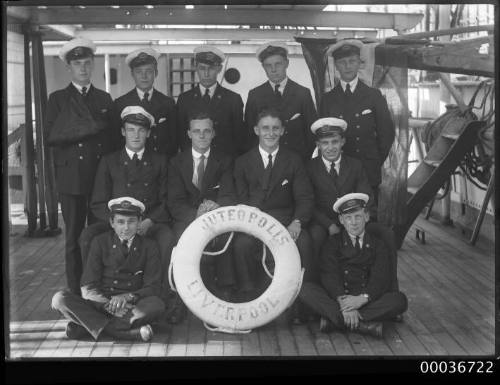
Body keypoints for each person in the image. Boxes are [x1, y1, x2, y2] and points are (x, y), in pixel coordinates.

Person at [79, 105, 175, 319]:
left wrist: (149, 221)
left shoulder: (160, 161)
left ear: (149, 133)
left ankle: (164, 298)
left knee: (167, 238)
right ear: (123, 131)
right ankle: (93, 295)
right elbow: (97, 202)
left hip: (148, 222)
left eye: (141, 130)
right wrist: (118, 223)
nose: (136, 135)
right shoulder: (109, 161)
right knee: (87, 236)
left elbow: (166, 200)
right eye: (131, 129)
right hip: (116, 221)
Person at [44, 37, 113, 295]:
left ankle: (96, 285)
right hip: (71, 179)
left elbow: (112, 142)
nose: (83, 68)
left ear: (92, 65)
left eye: (87, 63)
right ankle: (75, 290)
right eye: (77, 64)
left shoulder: (104, 99)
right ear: (68, 68)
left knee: (98, 236)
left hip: (98, 180)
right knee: (73, 238)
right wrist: (88, 128)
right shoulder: (58, 99)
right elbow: (51, 136)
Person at [51, 197, 165, 342]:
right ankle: (124, 333)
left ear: (139, 222)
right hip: (102, 304)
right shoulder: (99, 242)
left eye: (131, 221)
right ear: (112, 223)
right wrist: (107, 306)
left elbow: (153, 286)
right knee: (59, 299)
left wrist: (128, 297)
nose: (126, 227)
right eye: (120, 222)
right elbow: (88, 286)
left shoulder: (149, 246)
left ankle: (87, 327)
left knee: (157, 305)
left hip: (132, 305)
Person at [233, 107, 314, 309]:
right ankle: (249, 299)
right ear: (256, 130)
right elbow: (240, 199)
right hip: (253, 223)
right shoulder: (242, 162)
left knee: (303, 242)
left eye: (275, 128)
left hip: (285, 223)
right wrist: (252, 220)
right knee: (241, 245)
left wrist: (297, 222)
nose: (270, 133)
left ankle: (298, 303)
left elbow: (304, 197)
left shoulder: (294, 160)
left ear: (282, 131)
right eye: (265, 128)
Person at [299, 193, 407, 338]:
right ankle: (363, 325)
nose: (354, 222)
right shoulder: (332, 243)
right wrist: (345, 304)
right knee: (305, 290)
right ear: (341, 220)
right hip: (340, 300)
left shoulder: (378, 244)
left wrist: (362, 299)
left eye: (358, 216)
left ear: (366, 217)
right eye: (348, 218)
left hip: (366, 300)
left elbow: (380, 277)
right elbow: (329, 275)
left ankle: (335, 321)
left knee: (399, 300)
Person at [167, 110, 237, 306]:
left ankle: (225, 294)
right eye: (197, 131)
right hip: (187, 218)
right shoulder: (176, 163)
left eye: (207, 131)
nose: (202, 135)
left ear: (213, 133)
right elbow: (174, 201)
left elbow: (229, 193)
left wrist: (217, 207)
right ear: (189, 134)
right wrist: (196, 214)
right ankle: (180, 297)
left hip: (217, 216)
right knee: (178, 240)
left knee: (225, 237)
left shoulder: (225, 161)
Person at [319, 39, 395, 208]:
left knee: (367, 218)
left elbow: (387, 134)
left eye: (352, 61)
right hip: (338, 170)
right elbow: (322, 138)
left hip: (367, 170)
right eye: (342, 62)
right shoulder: (328, 100)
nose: (347, 66)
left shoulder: (373, 96)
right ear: (336, 66)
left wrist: (373, 160)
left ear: (359, 64)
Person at [306, 117, 373, 263]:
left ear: (342, 142)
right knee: (316, 236)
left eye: (335, 142)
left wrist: (350, 220)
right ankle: (317, 281)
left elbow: (367, 196)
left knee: (385, 234)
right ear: (318, 145)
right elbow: (308, 202)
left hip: (352, 216)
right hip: (323, 220)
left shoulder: (355, 165)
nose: (330, 147)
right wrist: (328, 225)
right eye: (325, 143)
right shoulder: (309, 168)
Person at [244, 41, 317, 160]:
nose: (273, 70)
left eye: (278, 64)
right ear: (263, 67)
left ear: (286, 63)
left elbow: (311, 134)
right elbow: (249, 135)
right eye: (268, 65)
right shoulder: (255, 95)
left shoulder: (302, 94)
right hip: (266, 161)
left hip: (297, 161)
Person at [176, 45, 245, 157]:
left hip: (224, 164)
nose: (206, 74)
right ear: (196, 68)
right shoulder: (184, 99)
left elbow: (239, 139)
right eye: (202, 68)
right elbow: (181, 138)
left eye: (211, 68)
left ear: (219, 69)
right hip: (195, 162)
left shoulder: (233, 99)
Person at [111, 48, 177, 157]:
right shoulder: (120, 104)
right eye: (139, 72)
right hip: (132, 165)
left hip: (161, 165)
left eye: (149, 71)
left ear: (156, 73)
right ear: (132, 74)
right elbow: (116, 142)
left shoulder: (168, 103)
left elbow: (174, 141)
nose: (144, 76)